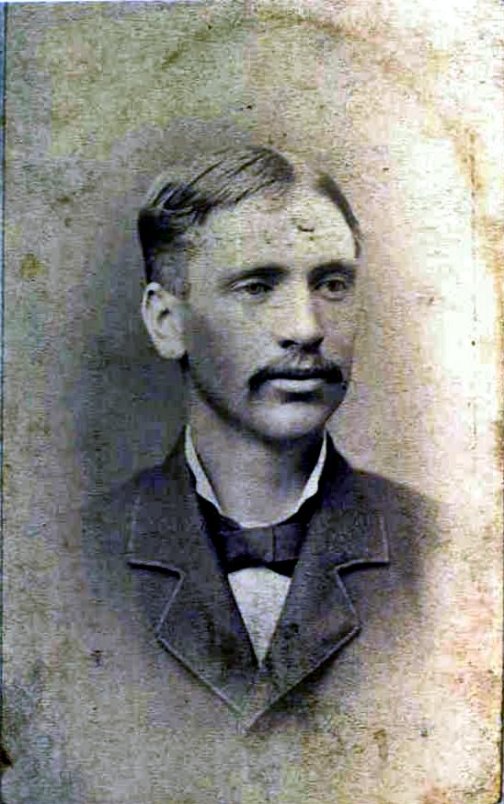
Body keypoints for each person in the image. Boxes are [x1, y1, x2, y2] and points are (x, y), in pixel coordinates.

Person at [90, 146, 435, 731]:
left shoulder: (448, 553)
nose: (306, 327)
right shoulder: (64, 561)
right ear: (167, 323)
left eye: (332, 284)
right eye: (256, 287)